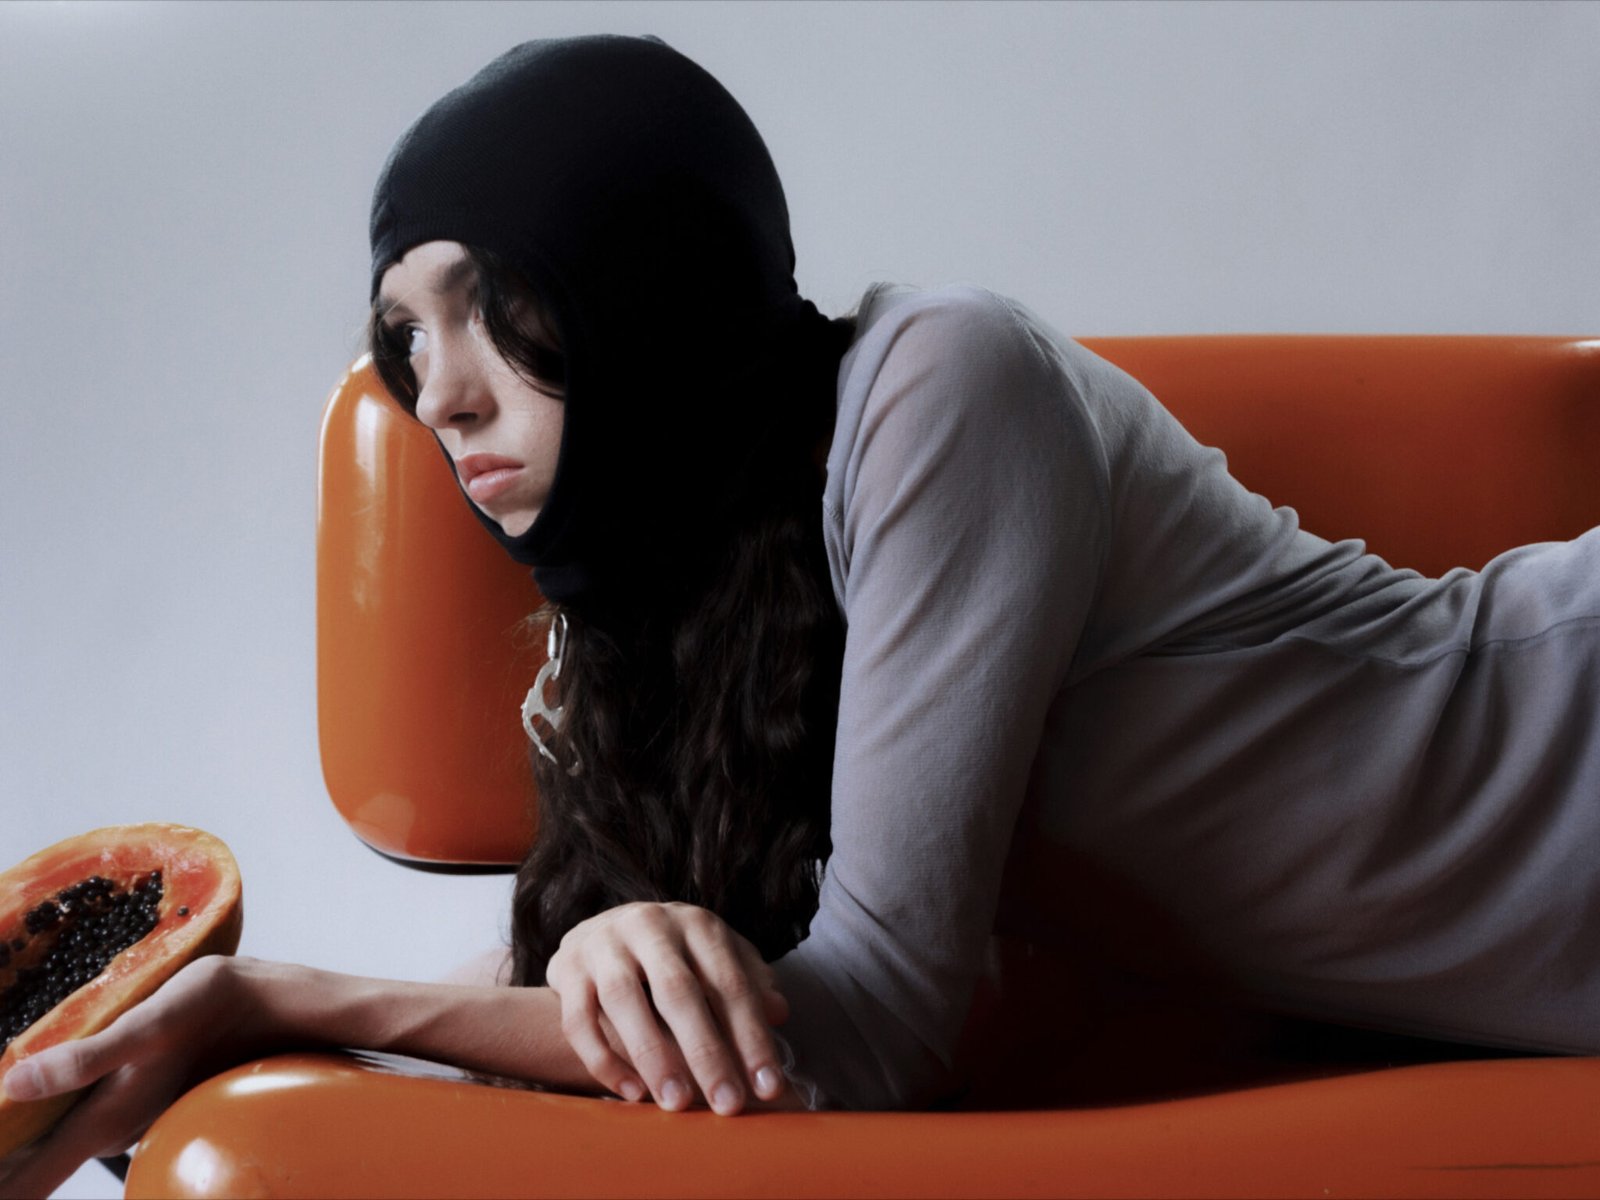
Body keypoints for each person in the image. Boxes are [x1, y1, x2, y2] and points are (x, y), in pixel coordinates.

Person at [4, 32, 1598, 1197]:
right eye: (405, 337)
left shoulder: (942, 387)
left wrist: (274, 995)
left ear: (645, 278)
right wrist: (162, 1062)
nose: (448, 396)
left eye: (502, 303)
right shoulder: (658, 626)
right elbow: (646, 1034)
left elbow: (873, 1027)